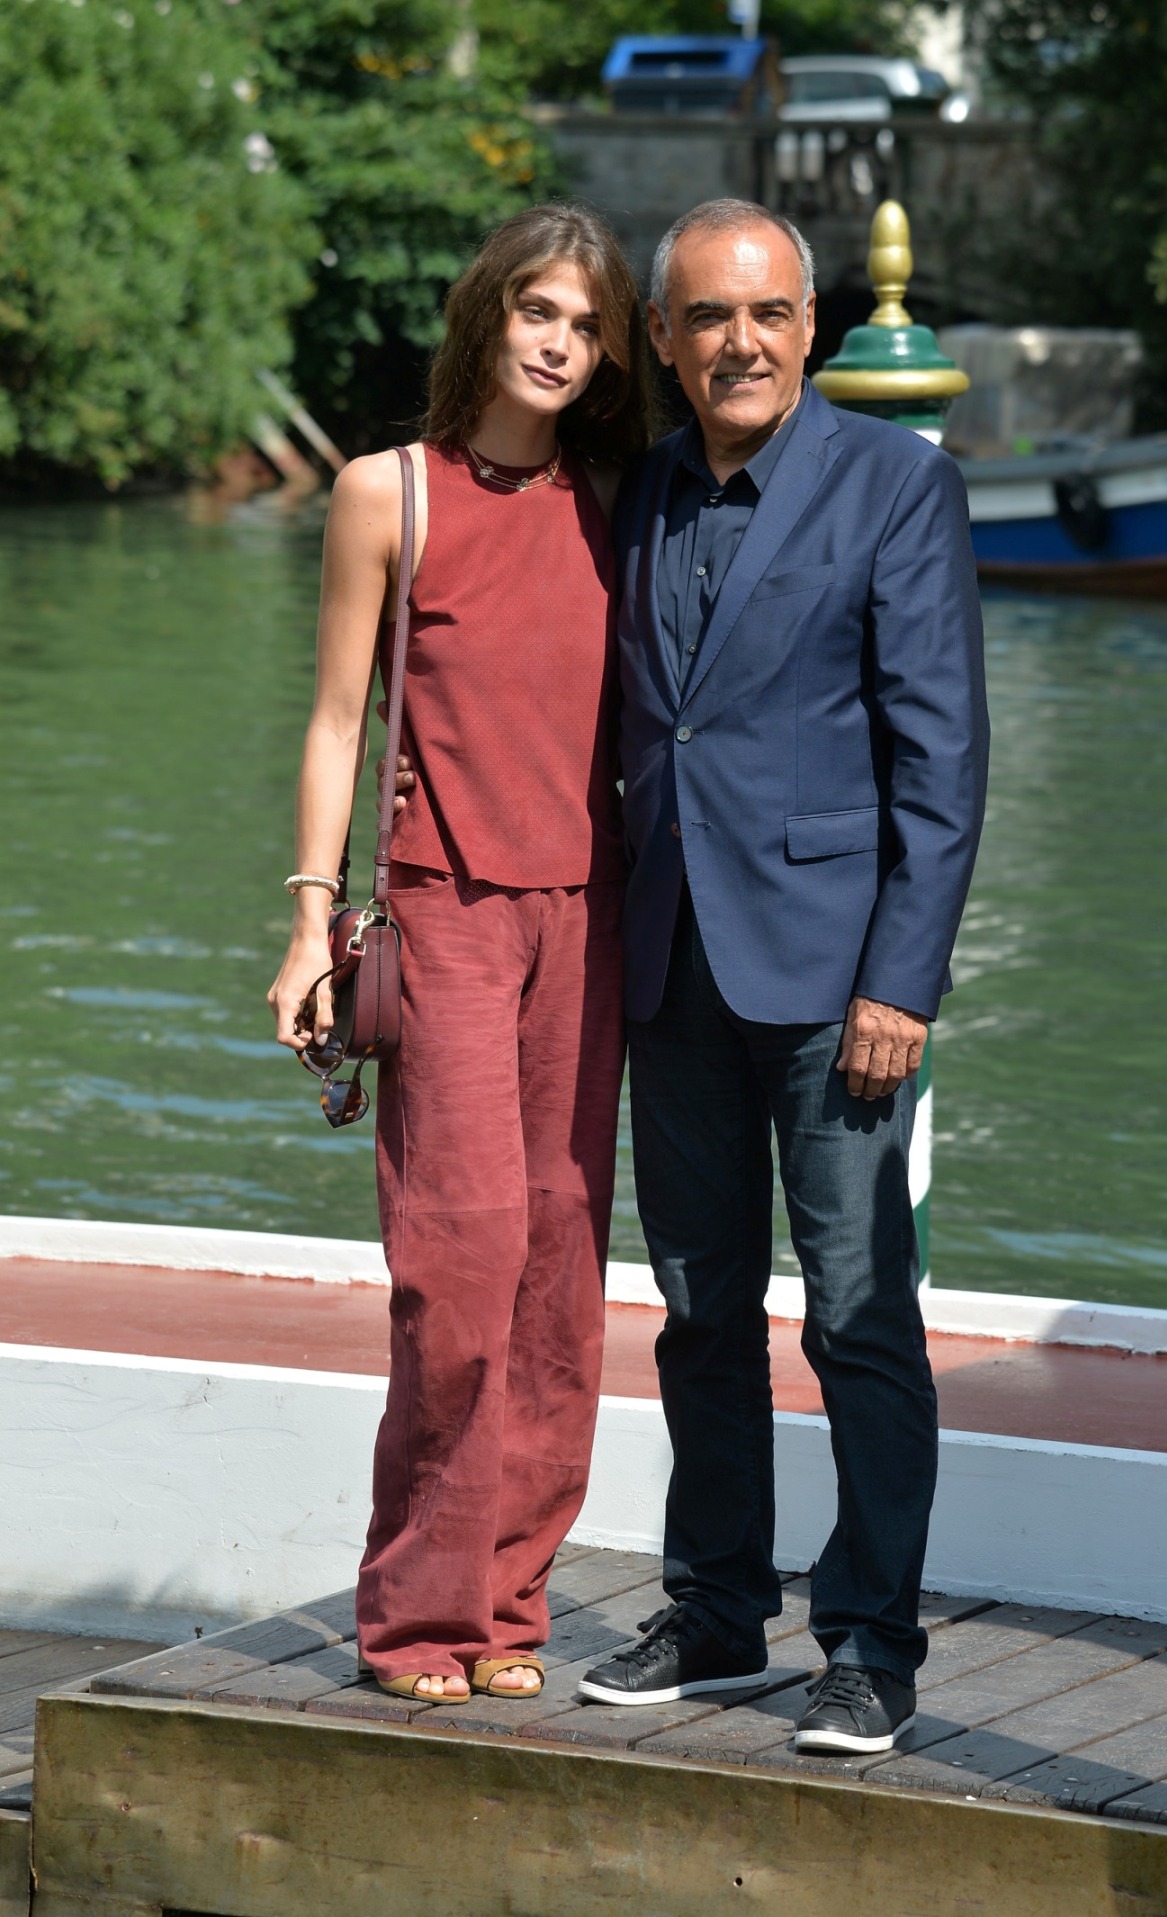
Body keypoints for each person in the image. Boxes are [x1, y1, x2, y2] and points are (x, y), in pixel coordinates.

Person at [572, 199, 990, 1753]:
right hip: (673, 961)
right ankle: (722, 1611)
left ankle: (872, 1641)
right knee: (696, 1306)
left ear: (808, 328)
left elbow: (943, 759)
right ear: (667, 344)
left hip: (840, 986)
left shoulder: (895, 488)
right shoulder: (641, 492)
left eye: (764, 314)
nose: (736, 342)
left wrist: (906, 979)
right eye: (703, 318)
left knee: (861, 1318)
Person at [268, 204, 653, 1705]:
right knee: (461, 1253)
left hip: (593, 920)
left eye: (587, 323)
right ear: (486, 316)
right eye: (536, 311)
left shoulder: (620, 498)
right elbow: (333, 720)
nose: (558, 342)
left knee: (561, 1267)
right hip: (445, 915)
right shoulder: (388, 495)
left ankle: (510, 1598)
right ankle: (417, 1612)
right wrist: (309, 917)